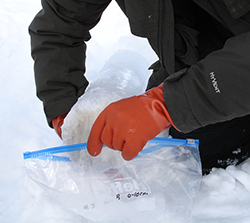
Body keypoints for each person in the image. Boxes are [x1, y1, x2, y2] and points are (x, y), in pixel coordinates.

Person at [29, 0, 250, 174]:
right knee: (162, 142)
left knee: (189, 154)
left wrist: (166, 105)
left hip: (237, 69)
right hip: (196, 57)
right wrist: (62, 103)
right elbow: (60, 22)